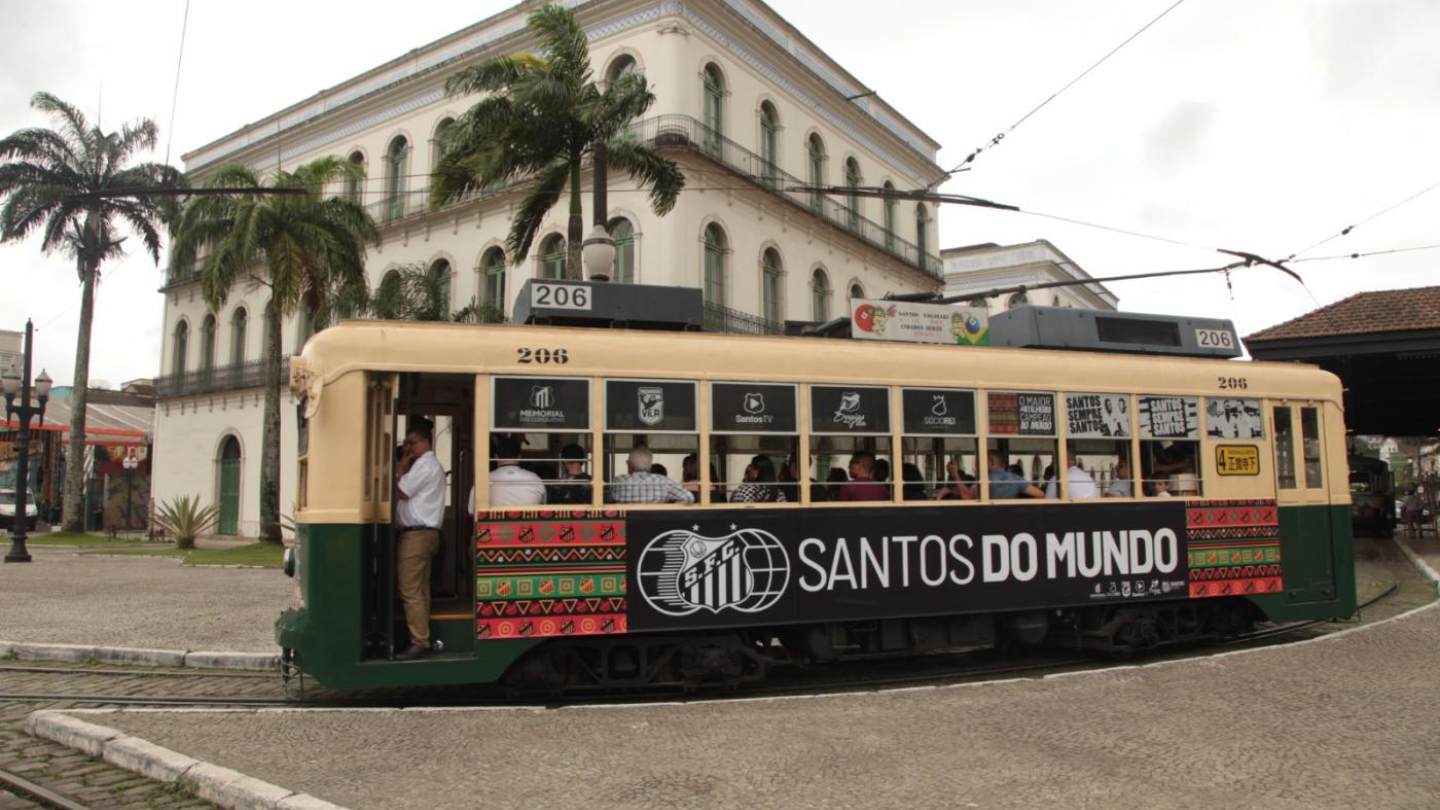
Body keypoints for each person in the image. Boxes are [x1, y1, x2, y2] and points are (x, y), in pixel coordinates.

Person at [394, 422, 446, 660]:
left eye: (411, 443)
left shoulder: (425, 464)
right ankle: (422, 636)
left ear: (426, 442)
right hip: (425, 534)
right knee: (420, 589)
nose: (408, 448)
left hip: (417, 535)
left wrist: (401, 466)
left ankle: (419, 641)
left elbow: (403, 491)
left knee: (410, 589)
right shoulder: (427, 465)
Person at [608, 447, 695, 504]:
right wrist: (666, 508)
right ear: (650, 465)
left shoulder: (618, 481)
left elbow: (609, 501)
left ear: (631, 465)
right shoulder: (662, 481)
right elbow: (688, 498)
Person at [488, 434, 546, 506]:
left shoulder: (485, 480)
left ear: (496, 457)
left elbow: (471, 510)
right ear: (519, 457)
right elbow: (543, 506)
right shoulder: (535, 478)